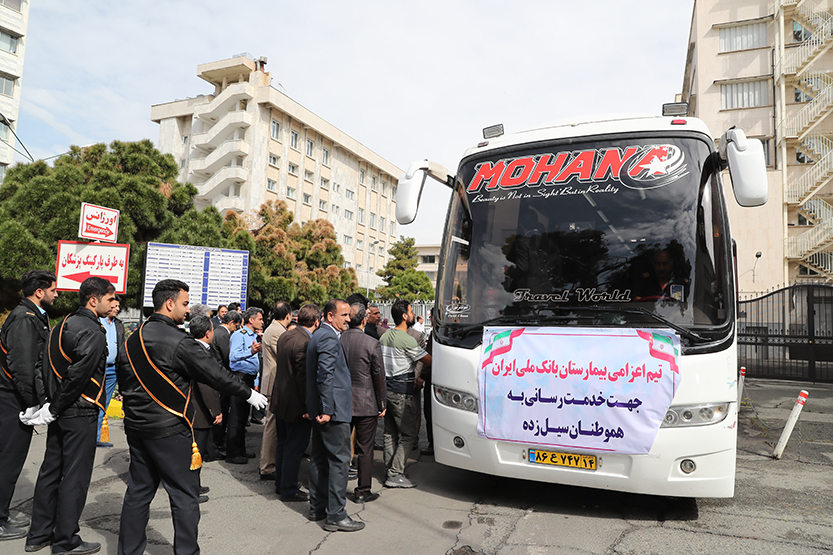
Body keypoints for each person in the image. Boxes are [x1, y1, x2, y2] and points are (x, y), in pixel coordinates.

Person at [116, 279, 267, 555]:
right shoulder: (178, 340)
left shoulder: (132, 338)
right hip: (170, 428)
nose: (188, 311)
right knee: (185, 496)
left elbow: (126, 384)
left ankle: (128, 551)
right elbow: (215, 374)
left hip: (136, 427)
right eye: (185, 304)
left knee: (138, 493)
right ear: (169, 303)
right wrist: (250, 394)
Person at [24, 277, 116, 555]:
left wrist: (48, 403)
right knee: (75, 477)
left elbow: (41, 366)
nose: (115, 304)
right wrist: (53, 407)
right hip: (78, 410)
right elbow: (78, 376)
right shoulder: (93, 331)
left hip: (60, 410)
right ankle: (65, 540)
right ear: (93, 300)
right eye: (110, 299)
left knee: (51, 471)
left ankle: (38, 534)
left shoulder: (61, 324)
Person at [0, 270, 57, 542]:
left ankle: (2, 512)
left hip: (15, 397)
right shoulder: (25, 319)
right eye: (53, 290)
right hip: (12, 399)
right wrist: (31, 404)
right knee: (8, 461)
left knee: (9, 460)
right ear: (39, 292)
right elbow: (21, 366)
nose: (56, 295)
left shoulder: (33, 316)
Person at [306, 299, 364, 532]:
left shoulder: (320, 335)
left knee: (319, 459)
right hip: (333, 412)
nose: (349, 319)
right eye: (344, 315)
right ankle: (336, 515)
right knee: (340, 461)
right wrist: (328, 410)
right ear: (330, 316)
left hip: (323, 409)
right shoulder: (328, 337)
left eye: (349, 315)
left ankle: (318, 507)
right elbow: (325, 376)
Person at [379, 299, 432, 489]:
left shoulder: (385, 336)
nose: (412, 314)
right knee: (410, 434)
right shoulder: (407, 340)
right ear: (404, 316)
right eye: (410, 311)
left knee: (389, 433)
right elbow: (428, 361)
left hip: (388, 390)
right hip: (402, 392)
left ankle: (389, 470)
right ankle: (395, 473)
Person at [271, 303, 319, 501]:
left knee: (283, 444)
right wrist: (310, 406)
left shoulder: (286, 335)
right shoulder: (305, 342)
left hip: (281, 398)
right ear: (317, 321)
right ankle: (288, 489)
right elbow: (303, 378)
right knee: (294, 447)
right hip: (295, 404)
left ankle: (281, 484)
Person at [340, 303, 385, 503]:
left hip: (342, 401)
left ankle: (337, 488)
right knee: (365, 449)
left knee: (342, 447)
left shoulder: (339, 339)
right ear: (364, 320)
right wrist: (382, 403)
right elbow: (379, 375)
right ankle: (362, 490)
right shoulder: (371, 342)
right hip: (366, 402)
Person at [188, 315, 224, 498]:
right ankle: (191, 489)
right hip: (199, 411)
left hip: (194, 409)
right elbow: (206, 386)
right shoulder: (200, 351)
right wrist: (215, 411)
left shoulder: (192, 347)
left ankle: (195, 485)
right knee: (196, 452)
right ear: (207, 333)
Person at [227, 307, 264, 463]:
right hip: (239, 378)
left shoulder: (253, 336)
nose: (262, 322)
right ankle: (233, 453)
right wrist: (250, 351)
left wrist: (255, 381)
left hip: (248, 379)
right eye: (260, 319)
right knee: (236, 416)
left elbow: (255, 363)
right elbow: (233, 356)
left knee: (243, 417)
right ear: (251, 319)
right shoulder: (239, 335)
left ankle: (240, 450)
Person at [259, 301, 291, 480]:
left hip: (273, 381)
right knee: (271, 425)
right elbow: (286, 355)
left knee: (273, 424)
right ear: (288, 316)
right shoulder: (277, 331)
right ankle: (268, 466)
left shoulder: (275, 329)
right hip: (273, 383)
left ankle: (269, 464)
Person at [210, 310, 242, 454]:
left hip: (216, 375)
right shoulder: (223, 335)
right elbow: (229, 357)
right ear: (231, 323)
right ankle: (217, 442)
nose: (236, 330)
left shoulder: (216, 332)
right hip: (220, 377)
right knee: (220, 410)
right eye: (236, 326)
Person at [97, 298, 124, 448]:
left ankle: (98, 436)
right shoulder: (96, 321)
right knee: (95, 400)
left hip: (113, 369)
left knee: (104, 403)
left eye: (118, 306)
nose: (117, 309)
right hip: (98, 368)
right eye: (114, 306)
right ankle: (91, 435)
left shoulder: (118, 324)